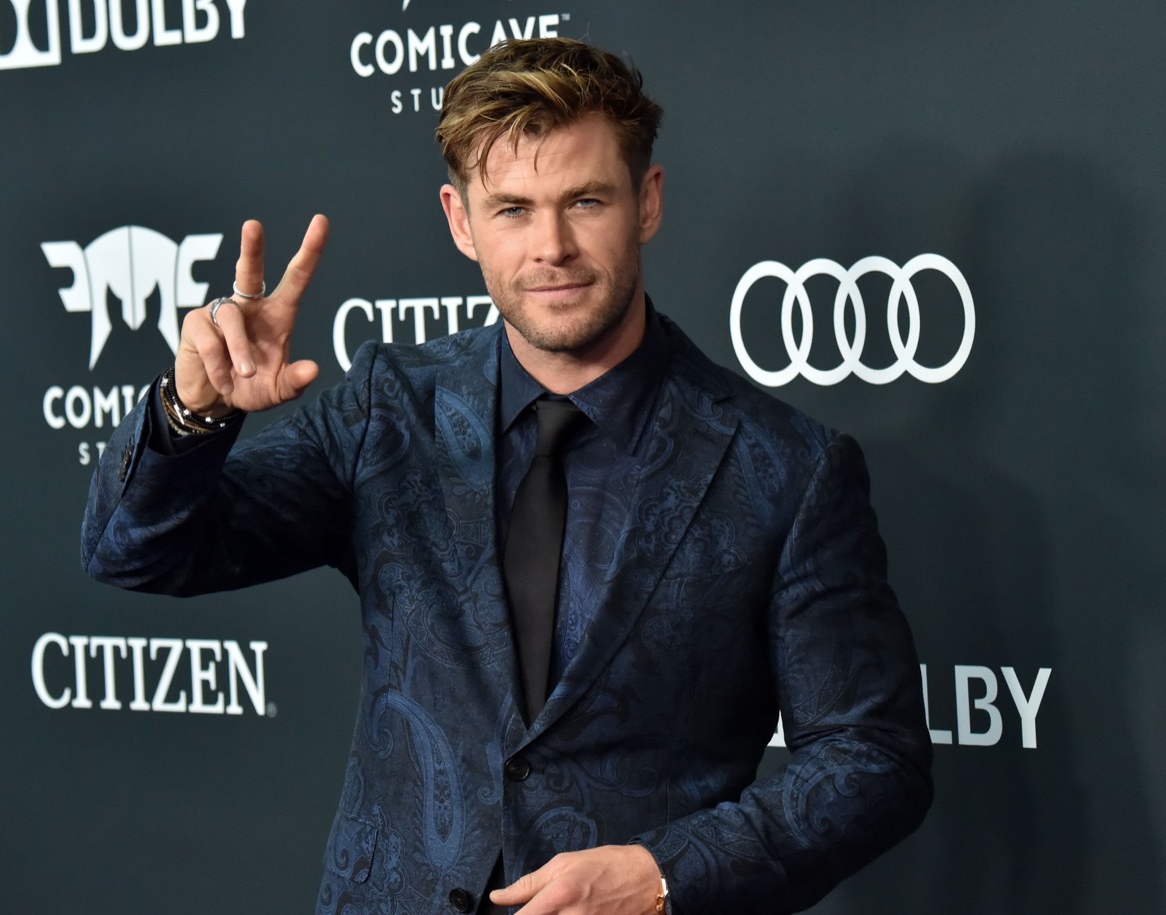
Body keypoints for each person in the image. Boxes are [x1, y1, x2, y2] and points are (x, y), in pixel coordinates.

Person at [83, 37, 932, 915]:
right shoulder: (390, 412)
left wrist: (665, 871)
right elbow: (133, 552)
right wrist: (194, 415)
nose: (552, 246)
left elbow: (873, 755)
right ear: (460, 221)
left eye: (586, 200)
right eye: (514, 209)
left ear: (647, 201)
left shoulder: (785, 467)